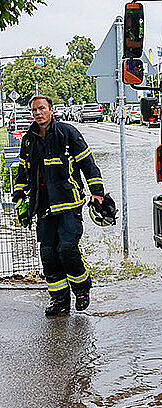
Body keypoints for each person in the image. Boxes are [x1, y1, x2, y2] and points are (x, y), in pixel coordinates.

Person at [13, 93, 113, 315]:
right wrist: (19, 197)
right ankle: (59, 300)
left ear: (51, 109)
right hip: (43, 206)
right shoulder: (28, 139)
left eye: (41, 108)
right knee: (48, 254)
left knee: (66, 249)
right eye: (34, 110)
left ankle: (82, 291)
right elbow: (22, 171)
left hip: (69, 203)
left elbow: (88, 164)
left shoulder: (67, 133)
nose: (38, 113)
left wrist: (97, 193)